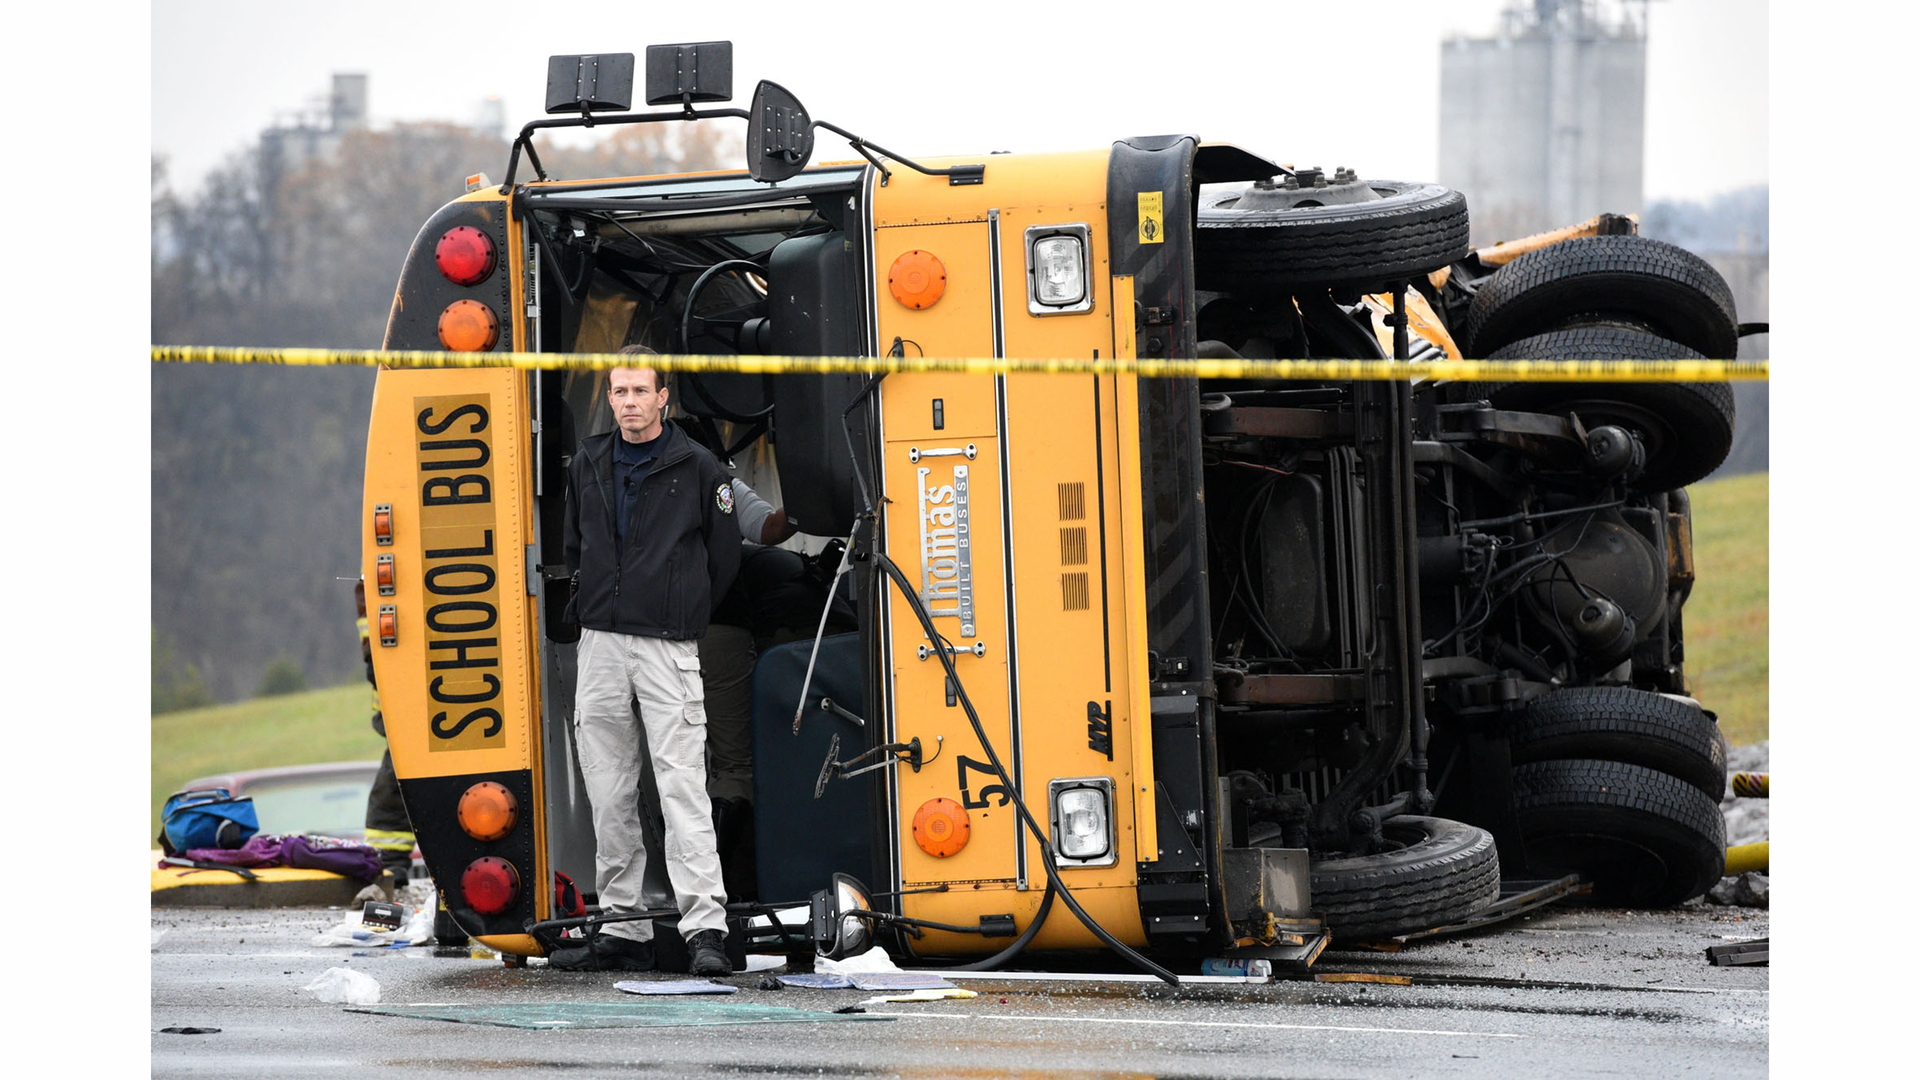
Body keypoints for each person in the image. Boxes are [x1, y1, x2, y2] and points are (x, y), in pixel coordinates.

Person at [550, 348, 742, 974]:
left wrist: (682, 611)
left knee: (682, 785)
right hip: (601, 640)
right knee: (609, 788)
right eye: (619, 392)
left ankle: (705, 932)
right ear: (609, 398)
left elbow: (723, 558)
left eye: (640, 391)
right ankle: (623, 928)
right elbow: (574, 544)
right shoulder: (589, 462)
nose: (629, 402)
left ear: (665, 398)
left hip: (666, 643)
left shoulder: (699, 467)